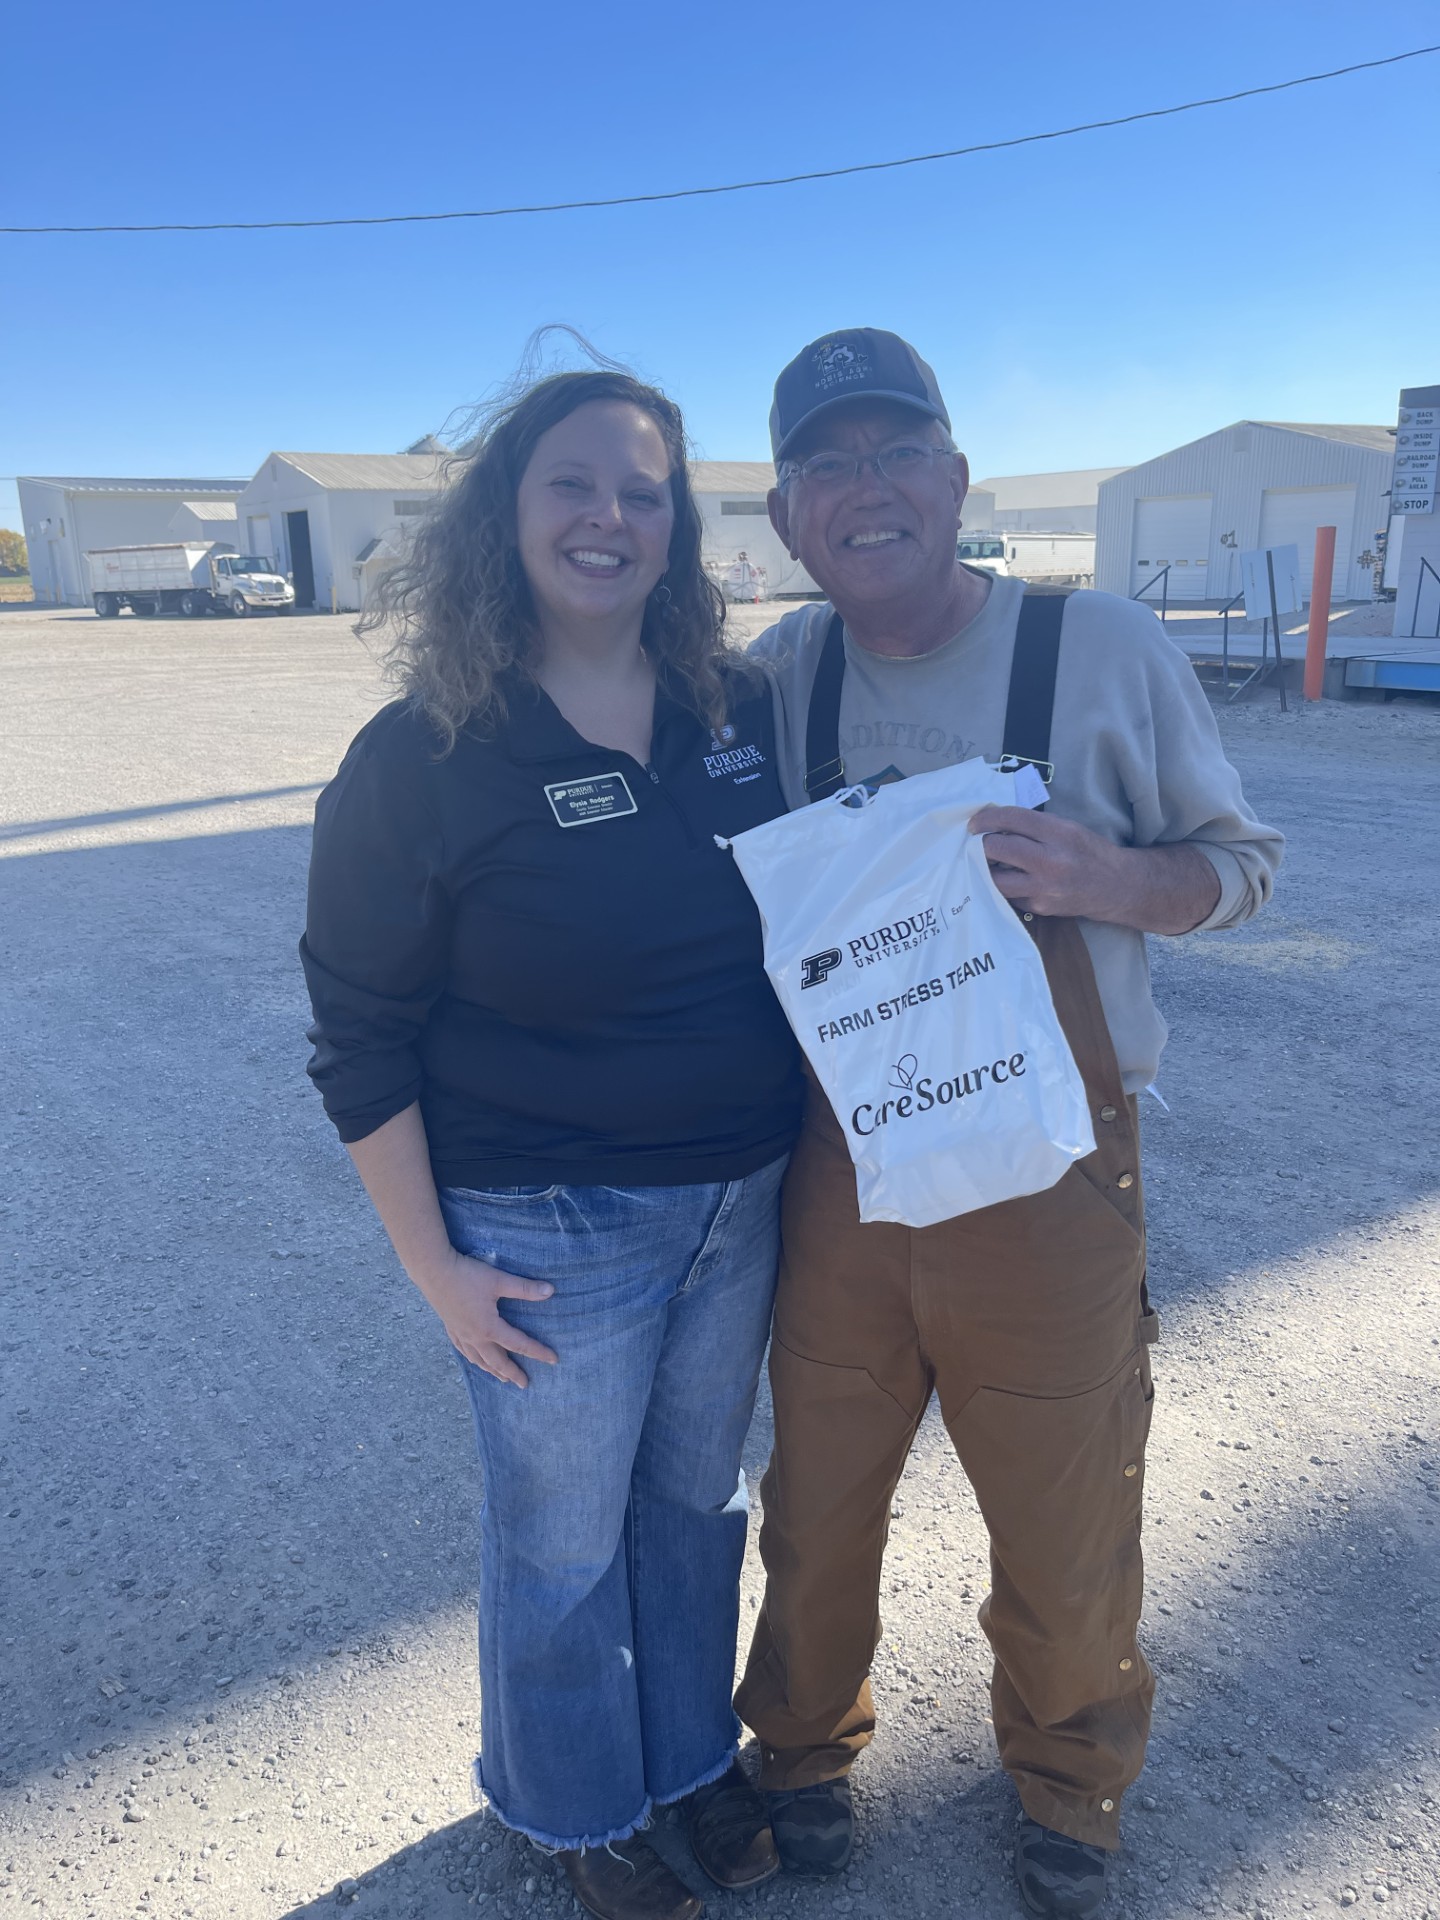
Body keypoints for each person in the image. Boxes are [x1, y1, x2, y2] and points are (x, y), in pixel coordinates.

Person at [732, 329, 1284, 1917]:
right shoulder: (783, 672)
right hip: (848, 1166)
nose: (868, 489)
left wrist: (1111, 879)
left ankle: (1071, 1783)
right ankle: (802, 1751)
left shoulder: (1100, 647)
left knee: (1065, 1508)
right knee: (820, 1497)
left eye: (897, 451)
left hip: (1051, 1174)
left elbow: (1243, 864)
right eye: (828, 464)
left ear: (956, 481)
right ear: (787, 516)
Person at [300, 366, 804, 1920]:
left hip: (742, 1192)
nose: (609, 518)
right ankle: (570, 1800)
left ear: (677, 526)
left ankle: (684, 1763)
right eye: (571, 486)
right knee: (561, 1544)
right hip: (549, 1221)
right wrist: (438, 1268)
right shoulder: (427, 754)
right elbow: (359, 1030)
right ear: (504, 517)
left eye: (641, 492)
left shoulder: (740, 709)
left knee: (692, 1510)